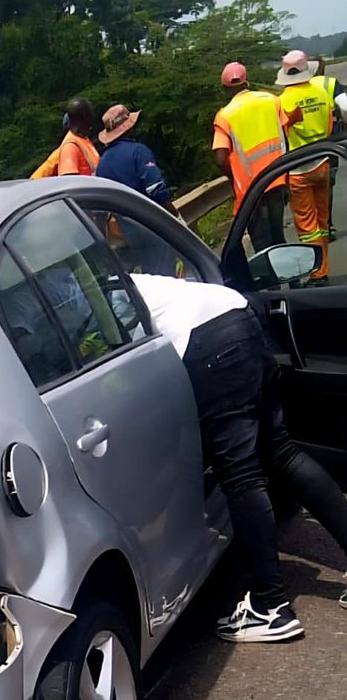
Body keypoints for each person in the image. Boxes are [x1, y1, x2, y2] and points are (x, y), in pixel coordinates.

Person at [130, 272, 347, 640]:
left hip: (209, 343)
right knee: (281, 453)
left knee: (241, 475)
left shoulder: (93, 291)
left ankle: (270, 607)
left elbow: (118, 351)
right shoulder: (117, 272)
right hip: (237, 313)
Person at [212, 61, 289, 254]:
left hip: (250, 189)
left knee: (262, 241)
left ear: (224, 88)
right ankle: (292, 279)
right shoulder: (272, 100)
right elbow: (284, 136)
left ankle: (271, 283)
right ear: (246, 81)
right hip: (277, 179)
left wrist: (234, 176)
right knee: (277, 234)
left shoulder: (225, 116)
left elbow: (221, 159)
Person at [95, 103, 179, 273]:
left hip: (126, 233)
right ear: (129, 128)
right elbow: (156, 189)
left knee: (149, 278)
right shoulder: (138, 152)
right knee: (165, 276)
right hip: (151, 226)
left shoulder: (102, 163)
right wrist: (173, 214)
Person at [276, 50, 335, 283]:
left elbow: (281, 132)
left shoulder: (282, 101)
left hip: (299, 167)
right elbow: (330, 124)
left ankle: (317, 272)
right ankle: (324, 267)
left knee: (307, 225)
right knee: (322, 221)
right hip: (323, 159)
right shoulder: (321, 91)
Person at [309, 56, 347, 240]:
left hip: (301, 145)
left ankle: (312, 228)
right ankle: (327, 226)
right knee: (326, 183)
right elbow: (345, 107)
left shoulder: (294, 88)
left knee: (305, 185)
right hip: (329, 141)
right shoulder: (331, 84)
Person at [30, 98, 99, 179]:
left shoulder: (83, 139)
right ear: (85, 116)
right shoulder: (70, 147)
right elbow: (69, 182)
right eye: (90, 113)